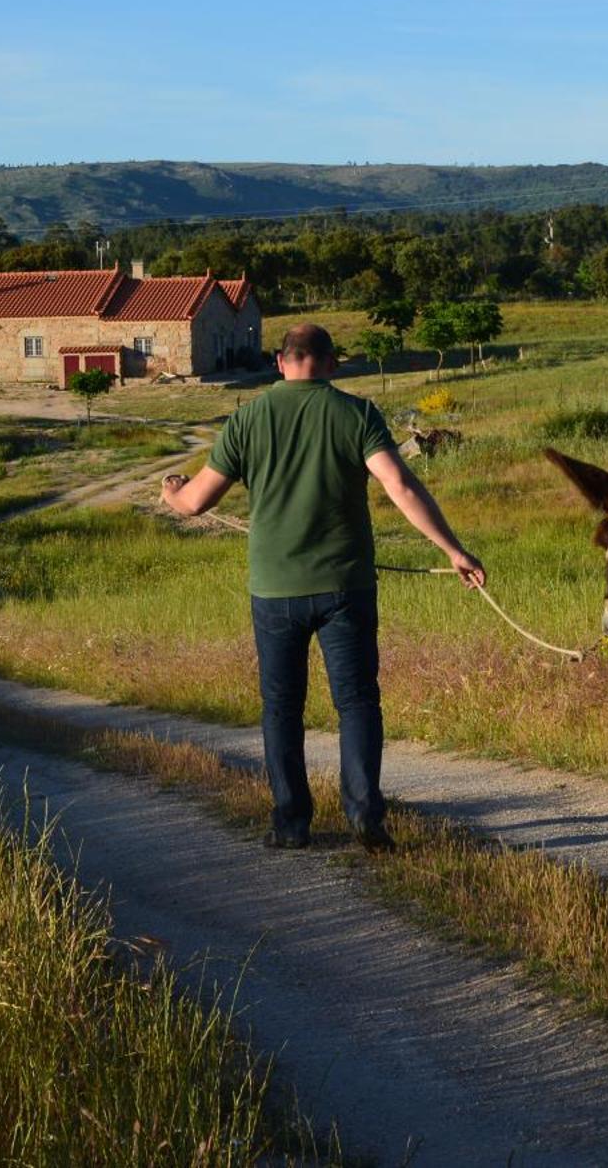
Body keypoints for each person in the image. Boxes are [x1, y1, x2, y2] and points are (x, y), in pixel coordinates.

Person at [162, 323, 485, 853]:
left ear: (279, 361)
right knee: (356, 703)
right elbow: (399, 486)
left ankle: (291, 824)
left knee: (282, 708)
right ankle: (365, 817)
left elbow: (197, 502)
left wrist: (170, 491)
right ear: (331, 363)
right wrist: (453, 550)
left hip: (274, 592)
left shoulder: (248, 419)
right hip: (345, 587)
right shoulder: (356, 415)